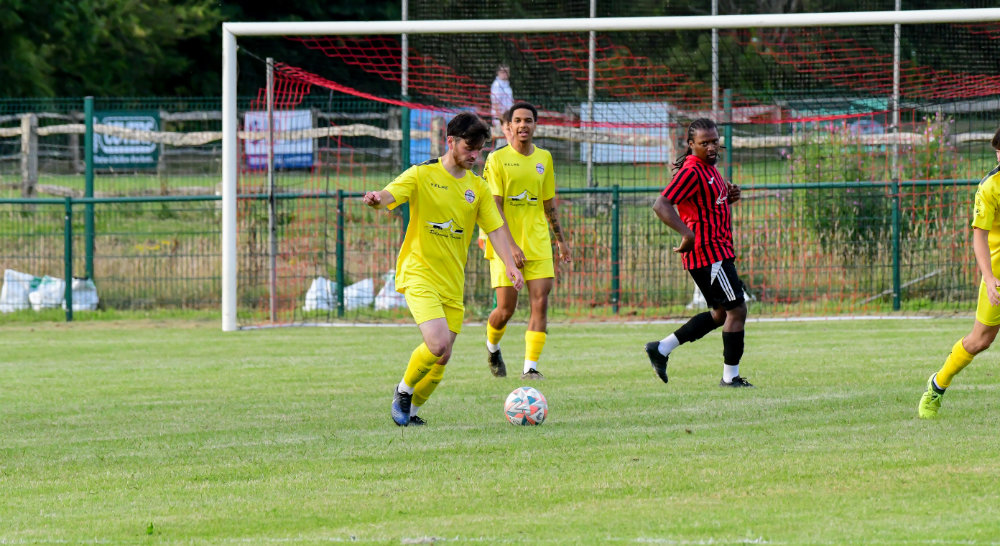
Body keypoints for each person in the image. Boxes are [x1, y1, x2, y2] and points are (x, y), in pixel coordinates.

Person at [363, 112, 524, 427]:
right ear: (450, 141)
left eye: (479, 148)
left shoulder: (477, 188)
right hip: (418, 272)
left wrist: (509, 264)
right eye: (469, 146)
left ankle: (410, 412)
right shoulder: (423, 174)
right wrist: (376, 199)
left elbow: (496, 229)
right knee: (436, 343)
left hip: (452, 282)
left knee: (444, 355)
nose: (474, 154)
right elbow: (390, 194)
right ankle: (403, 391)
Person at [643, 118, 752, 388]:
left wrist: (730, 195)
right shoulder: (692, 171)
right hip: (710, 253)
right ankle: (731, 378)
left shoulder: (708, 168)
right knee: (736, 310)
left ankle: (661, 348)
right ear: (691, 145)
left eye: (714, 141)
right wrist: (687, 233)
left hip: (716, 251)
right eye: (704, 143)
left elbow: (708, 201)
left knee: (720, 315)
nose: (711, 147)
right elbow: (661, 204)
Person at [482, 102, 572, 380]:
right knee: (506, 309)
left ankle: (530, 368)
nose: (523, 125)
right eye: (518, 120)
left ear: (535, 125)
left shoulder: (544, 158)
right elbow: (494, 207)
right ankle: (493, 348)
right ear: (508, 126)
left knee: (540, 301)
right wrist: (510, 246)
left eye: (528, 120)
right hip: (504, 245)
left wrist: (561, 240)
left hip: (539, 242)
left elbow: (548, 204)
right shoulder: (496, 160)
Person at [918, 127, 1000, 419]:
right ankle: (937, 385)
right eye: (998, 152)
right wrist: (989, 279)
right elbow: (979, 235)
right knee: (980, 341)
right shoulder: (990, 187)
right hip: (998, 274)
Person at [490, 65, 514, 147]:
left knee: (507, 141)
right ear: (498, 73)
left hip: (508, 117)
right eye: (503, 72)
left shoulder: (506, 85)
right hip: (501, 118)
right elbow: (495, 104)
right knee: (501, 141)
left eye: (507, 72)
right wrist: (501, 119)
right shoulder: (497, 85)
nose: (505, 74)